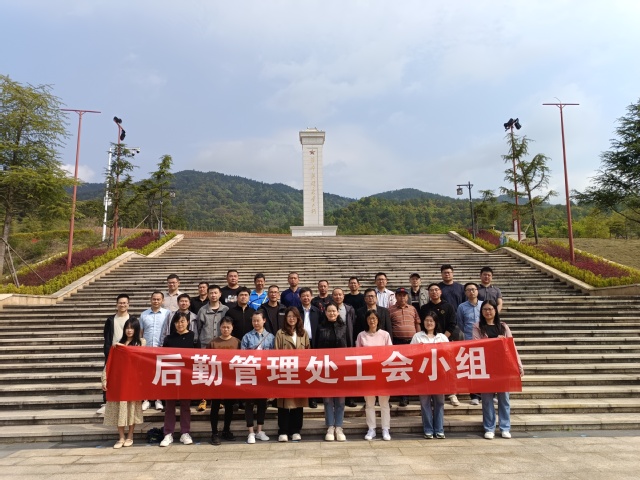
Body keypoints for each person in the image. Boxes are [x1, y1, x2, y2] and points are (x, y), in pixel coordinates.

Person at [472, 299, 523, 439]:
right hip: (486, 366)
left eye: (490, 309)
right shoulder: (477, 326)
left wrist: (518, 365)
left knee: (504, 398)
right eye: (485, 309)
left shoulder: (503, 326)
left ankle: (505, 427)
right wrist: (496, 341)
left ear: (495, 310)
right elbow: (476, 344)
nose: (488, 312)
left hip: (503, 366)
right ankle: (489, 428)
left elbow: (512, 346)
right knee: (487, 399)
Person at [102, 318, 144, 448]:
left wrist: (123, 347)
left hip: (133, 382)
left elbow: (140, 356)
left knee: (131, 409)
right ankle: (121, 437)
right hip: (118, 381)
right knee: (118, 409)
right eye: (127, 327)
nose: (129, 330)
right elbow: (109, 363)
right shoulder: (117, 345)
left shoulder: (140, 342)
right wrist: (104, 379)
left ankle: (130, 436)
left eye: (132, 328)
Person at [421, 283, 463, 407]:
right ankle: (432, 393)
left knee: (447, 368)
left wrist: (443, 338)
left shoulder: (448, 306)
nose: (434, 292)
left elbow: (452, 324)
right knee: (431, 370)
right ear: (428, 293)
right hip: (428, 343)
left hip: (444, 342)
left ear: (440, 292)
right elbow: (423, 325)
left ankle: (452, 393)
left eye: (436, 290)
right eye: (431, 290)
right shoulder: (424, 308)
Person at [356, 309, 393, 441]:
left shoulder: (385, 335)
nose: (372, 321)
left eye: (374, 318)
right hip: (368, 373)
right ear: (366, 320)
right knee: (369, 403)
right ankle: (371, 428)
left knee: (384, 403)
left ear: (378, 320)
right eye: (370, 318)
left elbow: (390, 353)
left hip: (383, 373)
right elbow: (357, 354)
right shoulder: (361, 335)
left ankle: (385, 429)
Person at [411, 311, 449, 439]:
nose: (429, 323)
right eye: (427, 320)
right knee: (425, 403)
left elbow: (448, 354)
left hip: (439, 375)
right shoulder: (417, 337)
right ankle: (428, 429)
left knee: (439, 402)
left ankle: (439, 429)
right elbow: (411, 353)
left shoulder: (442, 338)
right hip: (423, 374)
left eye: (431, 321)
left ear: (436, 322)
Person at [160, 312, 195, 447]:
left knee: (185, 406)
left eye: (182, 321)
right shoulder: (168, 339)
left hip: (186, 377)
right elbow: (163, 357)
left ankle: (185, 432)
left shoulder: (193, 337)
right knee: (169, 407)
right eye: (177, 322)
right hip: (171, 376)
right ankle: (168, 433)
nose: (180, 324)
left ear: (187, 322)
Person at [314, 303, 349, 442]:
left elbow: (349, 346)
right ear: (325, 313)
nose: (332, 313)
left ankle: (339, 426)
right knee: (328, 399)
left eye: (334, 311)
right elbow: (316, 347)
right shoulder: (320, 327)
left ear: (338, 312)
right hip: (325, 368)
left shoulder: (344, 327)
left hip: (341, 367)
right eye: (329, 311)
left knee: (340, 399)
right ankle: (330, 426)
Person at [275, 307, 310, 442]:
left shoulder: (303, 333)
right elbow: (276, 352)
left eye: (294, 316)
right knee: (284, 403)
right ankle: (283, 430)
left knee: (298, 402)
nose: (291, 319)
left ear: (298, 318)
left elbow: (308, 351)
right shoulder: (280, 333)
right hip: (285, 372)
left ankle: (296, 430)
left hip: (300, 372)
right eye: (289, 316)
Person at [241, 311, 275, 444]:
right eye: (253, 321)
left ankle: (259, 430)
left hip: (264, 374)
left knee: (262, 403)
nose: (255, 323)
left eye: (258, 320)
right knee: (249, 403)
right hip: (250, 373)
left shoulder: (270, 337)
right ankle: (250, 432)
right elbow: (242, 356)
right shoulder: (247, 337)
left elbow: (274, 357)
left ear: (264, 321)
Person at [99, 293, 134, 414]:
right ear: (116, 304)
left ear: (128, 304)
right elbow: (107, 337)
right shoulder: (110, 320)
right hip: (113, 353)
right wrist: (108, 352)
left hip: (128, 354)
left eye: (124, 303)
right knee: (109, 377)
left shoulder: (132, 320)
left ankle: (127, 400)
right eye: (120, 303)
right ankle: (107, 401)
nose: (122, 305)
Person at [208, 317, 240, 445]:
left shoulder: (237, 342)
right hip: (216, 378)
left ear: (232, 328)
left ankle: (226, 430)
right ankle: (214, 433)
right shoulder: (213, 343)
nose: (225, 329)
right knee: (215, 406)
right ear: (219, 327)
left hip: (230, 379)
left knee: (229, 406)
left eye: (228, 327)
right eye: (223, 327)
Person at [389, 287, 421, 407]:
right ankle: (404, 397)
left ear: (407, 297)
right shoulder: (390, 310)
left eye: (404, 295)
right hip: (398, 343)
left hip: (412, 342)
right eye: (399, 295)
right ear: (396, 297)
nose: (402, 297)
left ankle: (416, 392)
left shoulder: (412, 309)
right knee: (402, 370)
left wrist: (419, 338)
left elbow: (417, 324)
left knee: (413, 369)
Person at [140, 291, 171, 411]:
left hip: (161, 348)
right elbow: (141, 332)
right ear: (151, 300)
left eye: (158, 299)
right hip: (146, 349)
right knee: (147, 375)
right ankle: (146, 399)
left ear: (162, 300)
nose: (156, 301)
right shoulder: (144, 314)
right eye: (154, 299)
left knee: (160, 375)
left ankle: (158, 399)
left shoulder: (167, 313)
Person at [456, 282, 483, 405]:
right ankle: (475, 395)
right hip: (469, 340)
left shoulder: (484, 305)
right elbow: (460, 323)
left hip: (484, 341)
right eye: (468, 290)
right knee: (472, 368)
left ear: (477, 291)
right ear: (465, 293)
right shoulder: (461, 307)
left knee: (486, 368)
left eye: (473, 289)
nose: (471, 292)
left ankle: (490, 393)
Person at [332, 287, 357, 407]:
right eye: (335, 295)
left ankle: (349, 397)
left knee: (348, 372)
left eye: (340, 294)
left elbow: (353, 326)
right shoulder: (329, 309)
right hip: (333, 346)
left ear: (343, 296)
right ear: (332, 296)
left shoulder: (349, 309)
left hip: (347, 344)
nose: (338, 297)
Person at [297, 287, 321, 408]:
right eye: (303, 296)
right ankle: (302, 396)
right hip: (300, 344)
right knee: (302, 371)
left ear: (311, 297)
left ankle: (313, 398)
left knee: (313, 371)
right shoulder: (296, 311)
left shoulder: (317, 311)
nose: (306, 298)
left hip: (314, 343)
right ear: (299, 297)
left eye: (308, 296)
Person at [196, 284, 229, 351]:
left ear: (220, 294)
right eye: (211, 293)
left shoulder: (226, 309)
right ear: (208, 295)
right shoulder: (202, 310)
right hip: (206, 344)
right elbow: (198, 327)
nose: (213, 295)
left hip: (222, 344)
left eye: (215, 293)